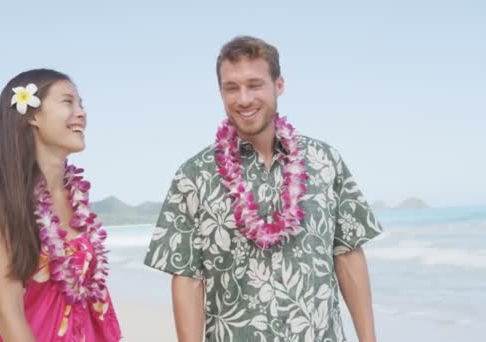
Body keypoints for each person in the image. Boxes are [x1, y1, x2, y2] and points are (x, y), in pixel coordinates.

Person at [144, 36, 382, 342]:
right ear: (221, 92)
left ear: (278, 85)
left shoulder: (325, 161)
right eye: (232, 88)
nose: (243, 99)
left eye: (255, 84)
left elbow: (347, 254)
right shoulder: (193, 175)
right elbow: (187, 279)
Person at [0, 69, 121, 341]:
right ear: (32, 116)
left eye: (82, 104)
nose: (81, 113)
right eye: (68, 102)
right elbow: (9, 312)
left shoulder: (76, 198)